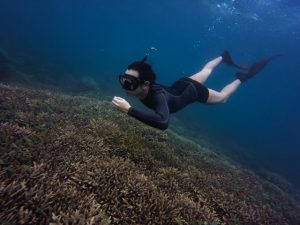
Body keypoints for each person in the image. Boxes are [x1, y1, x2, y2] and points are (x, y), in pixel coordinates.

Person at [112, 51, 278, 130]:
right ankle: (223, 56)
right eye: (124, 80)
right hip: (181, 84)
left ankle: (242, 77)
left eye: (130, 83)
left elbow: (162, 122)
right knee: (205, 72)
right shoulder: (145, 88)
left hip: (193, 91)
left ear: (146, 85)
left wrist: (129, 110)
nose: (124, 85)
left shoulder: (158, 97)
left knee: (222, 98)